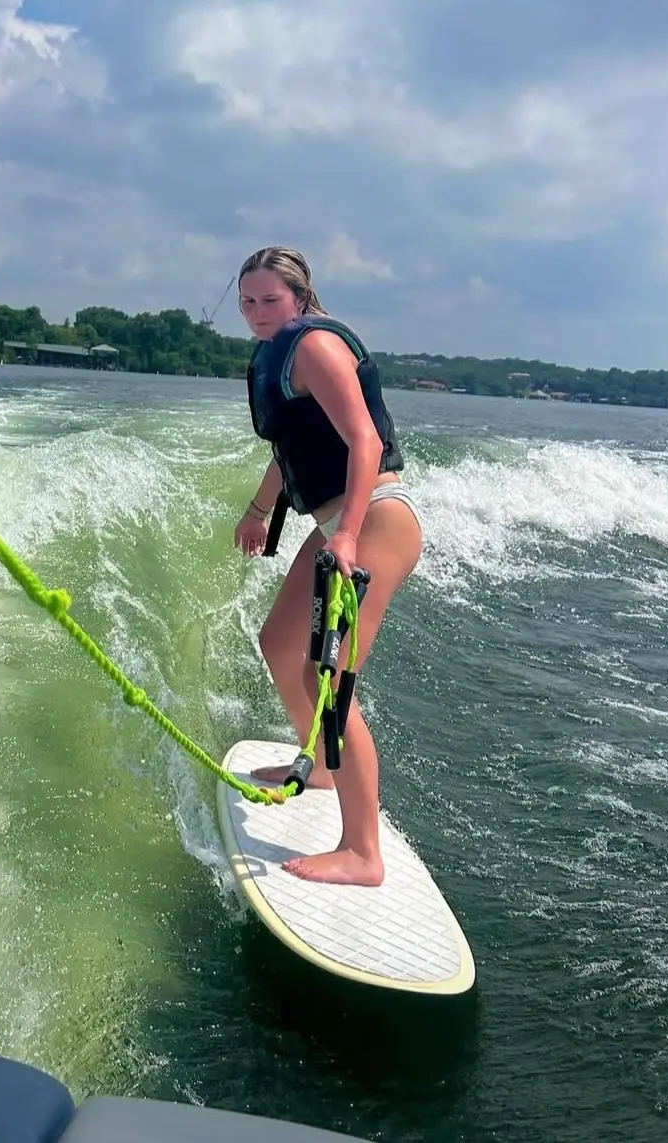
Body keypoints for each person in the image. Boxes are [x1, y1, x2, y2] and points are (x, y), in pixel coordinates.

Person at [233, 246, 422, 886]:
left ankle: (363, 854)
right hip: (341, 523)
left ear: (300, 297)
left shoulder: (313, 345)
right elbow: (292, 450)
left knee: (333, 685)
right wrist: (259, 511)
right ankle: (320, 768)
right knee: (280, 644)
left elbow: (364, 440)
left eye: (270, 300)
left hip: (373, 521)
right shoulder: (281, 352)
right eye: (247, 302)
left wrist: (345, 533)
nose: (257, 312)